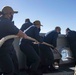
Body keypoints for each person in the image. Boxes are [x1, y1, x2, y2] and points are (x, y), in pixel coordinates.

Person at [0, 6, 32, 75]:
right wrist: (24, 35)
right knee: (9, 71)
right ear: (9, 14)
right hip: (3, 50)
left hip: (9, 48)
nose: (12, 16)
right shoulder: (6, 22)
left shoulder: (3, 21)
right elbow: (20, 33)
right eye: (12, 14)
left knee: (15, 65)